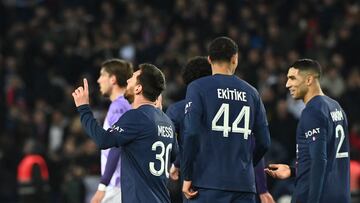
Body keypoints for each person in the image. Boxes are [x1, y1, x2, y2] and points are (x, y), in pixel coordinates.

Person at [167, 56, 274, 203]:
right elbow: (258, 143)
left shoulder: (177, 110)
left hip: (202, 183)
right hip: (242, 184)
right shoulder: (247, 97)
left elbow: (185, 140)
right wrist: (261, 186)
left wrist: (178, 165)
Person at [72, 63, 178, 203]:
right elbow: (176, 155)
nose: (127, 80)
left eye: (132, 78)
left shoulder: (136, 116)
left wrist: (84, 108)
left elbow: (104, 140)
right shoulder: (166, 121)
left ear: (139, 88)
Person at [265, 59, 351, 203]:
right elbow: (329, 158)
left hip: (315, 196)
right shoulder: (336, 107)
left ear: (309, 79)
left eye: (292, 78)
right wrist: (293, 171)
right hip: (339, 195)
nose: (287, 84)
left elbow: (319, 160)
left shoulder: (313, 111)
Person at [91, 59, 133, 203]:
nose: (98, 80)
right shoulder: (127, 103)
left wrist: (103, 185)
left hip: (117, 184)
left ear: (113, 79)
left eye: (102, 75)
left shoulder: (119, 106)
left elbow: (117, 145)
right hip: (124, 183)